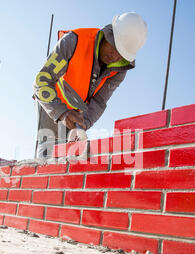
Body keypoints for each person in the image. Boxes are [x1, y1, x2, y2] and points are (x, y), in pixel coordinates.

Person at [33, 12, 148, 159]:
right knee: (47, 152)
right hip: (53, 100)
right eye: (114, 47)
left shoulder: (118, 71)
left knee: (69, 157)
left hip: (77, 113)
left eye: (121, 54)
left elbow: (99, 102)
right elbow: (42, 81)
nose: (115, 57)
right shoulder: (74, 41)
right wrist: (61, 112)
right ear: (108, 34)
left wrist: (83, 125)